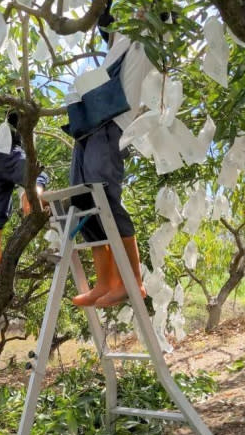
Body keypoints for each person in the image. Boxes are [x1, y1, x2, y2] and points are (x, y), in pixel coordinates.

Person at [62, 3, 162, 308]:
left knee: (104, 195)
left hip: (114, 124)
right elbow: (106, 18)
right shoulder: (117, 43)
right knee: (82, 202)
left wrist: (152, 15)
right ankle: (105, 281)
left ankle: (134, 282)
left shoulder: (145, 37)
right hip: (91, 126)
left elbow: (164, 17)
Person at [0, 111, 49, 268]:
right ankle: (31, 204)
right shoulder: (14, 111)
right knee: (38, 176)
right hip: (9, 151)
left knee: (0, 212)